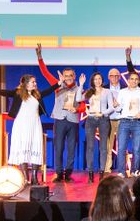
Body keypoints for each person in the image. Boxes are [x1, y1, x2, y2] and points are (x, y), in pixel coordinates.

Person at [0, 74, 60, 185]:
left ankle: (34, 178)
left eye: (35, 82)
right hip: (22, 125)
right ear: (26, 83)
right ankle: (24, 178)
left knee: (35, 148)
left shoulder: (37, 94)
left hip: (35, 124)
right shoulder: (18, 94)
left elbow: (49, 91)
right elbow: (2, 92)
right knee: (23, 148)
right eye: (33, 82)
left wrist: (59, 83)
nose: (35, 83)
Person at [35, 44, 84, 182]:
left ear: (74, 76)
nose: (68, 77)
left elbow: (83, 106)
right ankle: (58, 172)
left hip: (73, 120)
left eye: (70, 75)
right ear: (63, 76)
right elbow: (45, 72)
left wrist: (77, 109)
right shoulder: (57, 85)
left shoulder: (79, 88)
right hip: (60, 120)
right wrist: (40, 57)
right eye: (66, 75)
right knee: (59, 147)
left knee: (71, 148)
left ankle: (68, 173)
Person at [77, 72, 116, 182]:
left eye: (99, 79)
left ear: (102, 80)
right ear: (92, 81)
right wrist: (81, 85)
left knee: (103, 147)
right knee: (90, 147)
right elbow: (78, 99)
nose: (97, 81)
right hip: (90, 120)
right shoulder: (90, 92)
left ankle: (101, 173)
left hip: (103, 119)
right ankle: (90, 173)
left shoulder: (107, 92)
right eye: (95, 79)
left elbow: (112, 107)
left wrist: (103, 113)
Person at [116, 71, 140, 176]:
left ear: (139, 81)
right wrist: (116, 105)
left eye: (136, 79)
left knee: (137, 148)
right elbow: (118, 108)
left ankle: (135, 170)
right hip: (124, 121)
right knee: (121, 148)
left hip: (138, 122)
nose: (134, 81)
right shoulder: (122, 92)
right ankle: (121, 172)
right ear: (128, 80)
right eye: (132, 79)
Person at [104, 67, 124, 174]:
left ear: (120, 77)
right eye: (112, 75)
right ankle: (107, 168)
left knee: (122, 145)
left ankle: (122, 169)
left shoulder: (125, 88)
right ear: (108, 77)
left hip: (122, 119)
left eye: (117, 75)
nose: (114, 77)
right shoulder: (104, 89)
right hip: (109, 120)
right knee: (108, 145)